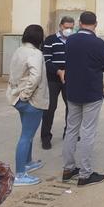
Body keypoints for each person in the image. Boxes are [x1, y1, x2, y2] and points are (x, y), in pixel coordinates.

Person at [62, 11, 104, 187]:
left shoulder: (70, 40)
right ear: (95, 24)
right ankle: (85, 174)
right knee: (88, 131)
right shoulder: (98, 43)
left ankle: (68, 169)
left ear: (80, 23)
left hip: (72, 91)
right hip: (91, 93)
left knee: (71, 130)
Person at [6, 24, 49, 186]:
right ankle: (20, 174)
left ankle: (28, 162)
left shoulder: (19, 50)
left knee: (28, 133)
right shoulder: (35, 53)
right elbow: (35, 76)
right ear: (39, 38)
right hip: (31, 101)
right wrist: (26, 95)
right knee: (26, 136)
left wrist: (20, 95)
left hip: (17, 98)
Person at [40, 16, 75, 150]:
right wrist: (58, 71)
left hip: (69, 79)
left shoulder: (73, 40)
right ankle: (45, 137)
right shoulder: (50, 40)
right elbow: (46, 60)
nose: (69, 30)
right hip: (53, 79)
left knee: (71, 107)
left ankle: (69, 133)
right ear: (60, 26)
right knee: (50, 108)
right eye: (67, 27)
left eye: (71, 27)